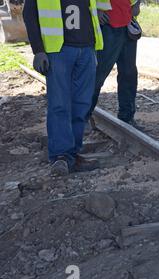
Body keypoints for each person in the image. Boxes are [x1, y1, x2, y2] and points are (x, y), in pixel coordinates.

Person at [23, 0, 104, 176]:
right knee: (59, 104)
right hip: (58, 50)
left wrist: (93, 50)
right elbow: (29, 15)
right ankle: (60, 155)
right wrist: (38, 50)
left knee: (81, 105)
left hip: (87, 49)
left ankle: (73, 155)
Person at [87, 0, 141, 128]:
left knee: (129, 73)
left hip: (126, 22)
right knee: (98, 74)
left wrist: (137, 3)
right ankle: (83, 117)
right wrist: (95, 9)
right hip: (107, 25)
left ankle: (127, 117)